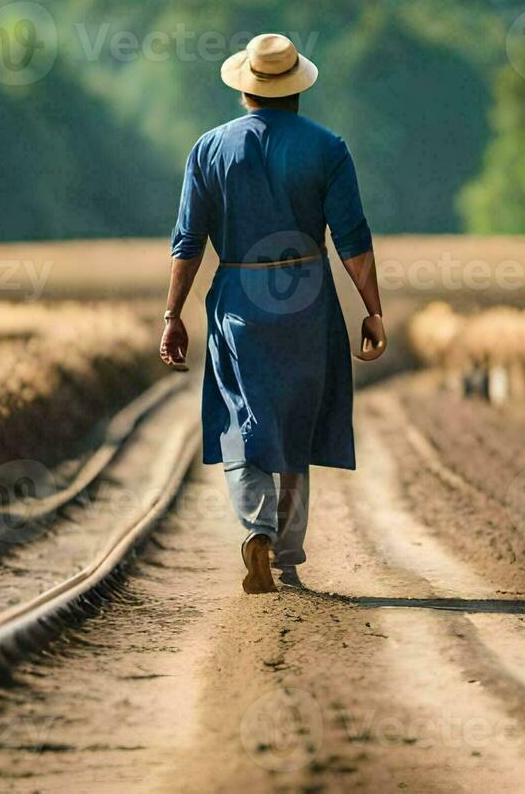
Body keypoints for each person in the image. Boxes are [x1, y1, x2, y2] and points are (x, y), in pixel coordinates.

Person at [159, 33, 387, 595]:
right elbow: (352, 238)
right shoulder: (328, 148)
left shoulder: (208, 149)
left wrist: (172, 313)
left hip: (238, 294)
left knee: (243, 417)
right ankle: (285, 542)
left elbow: (188, 240)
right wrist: (373, 311)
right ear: (298, 90)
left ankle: (255, 528)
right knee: (296, 415)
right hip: (307, 293)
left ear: (245, 91)